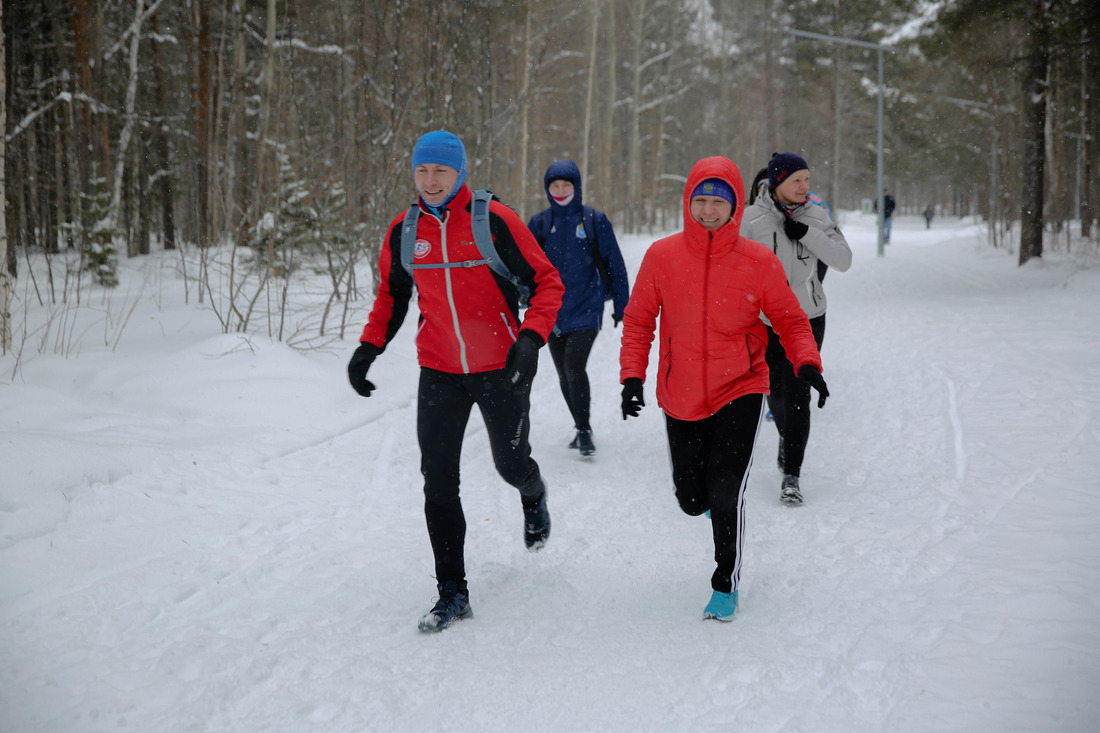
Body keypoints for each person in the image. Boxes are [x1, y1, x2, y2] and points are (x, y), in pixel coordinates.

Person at [347, 130, 565, 632]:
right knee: (438, 481)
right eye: (422, 171)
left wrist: (530, 339)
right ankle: (452, 592)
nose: (430, 181)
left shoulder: (494, 221)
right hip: (439, 370)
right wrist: (368, 348)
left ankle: (532, 493)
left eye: (441, 171)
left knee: (510, 464)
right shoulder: (404, 230)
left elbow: (547, 281)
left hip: (499, 366)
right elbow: (392, 296)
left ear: (460, 172)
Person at [619, 156, 829, 622]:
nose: (709, 210)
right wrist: (631, 376)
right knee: (691, 499)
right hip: (682, 391)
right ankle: (713, 506)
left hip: (741, 386)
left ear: (734, 204)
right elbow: (637, 322)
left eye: (719, 201)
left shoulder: (757, 260)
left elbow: (791, 320)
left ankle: (724, 583)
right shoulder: (662, 255)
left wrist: (807, 362)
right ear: (687, 202)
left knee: (726, 488)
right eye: (701, 200)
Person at [742, 152, 852, 506]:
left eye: (807, 179)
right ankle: (785, 434)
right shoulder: (749, 221)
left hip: (808, 317)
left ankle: (792, 474)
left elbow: (843, 260)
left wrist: (806, 233)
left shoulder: (818, 217)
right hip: (766, 321)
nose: (805, 187)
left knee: (800, 392)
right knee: (776, 391)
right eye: (797, 180)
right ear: (776, 183)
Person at [527, 159, 630, 458]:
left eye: (566, 185)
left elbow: (615, 265)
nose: (560, 191)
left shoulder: (594, 220)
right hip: (552, 312)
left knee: (574, 365)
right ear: (547, 189)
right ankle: (579, 425)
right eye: (554, 186)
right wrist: (522, 293)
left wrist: (621, 305)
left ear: (577, 187)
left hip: (587, 306)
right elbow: (525, 265)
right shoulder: (540, 223)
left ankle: (584, 430)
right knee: (563, 373)